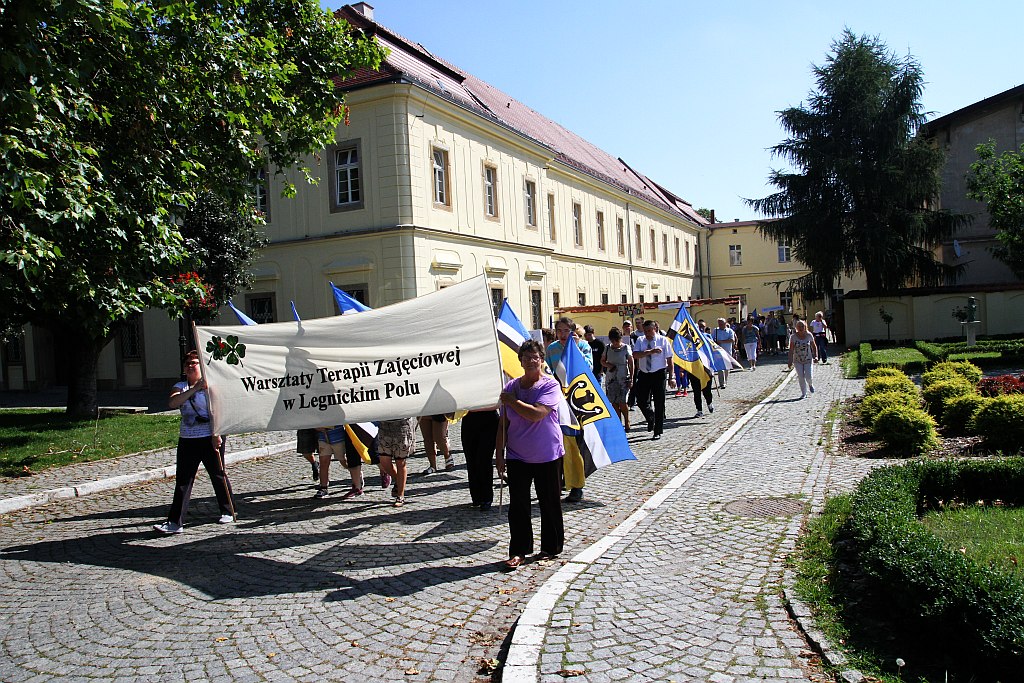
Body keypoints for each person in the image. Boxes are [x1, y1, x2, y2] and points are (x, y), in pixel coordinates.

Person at [495, 340, 565, 570]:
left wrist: (513, 401)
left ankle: (551, 546)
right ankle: (519, 550)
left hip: (547, 454)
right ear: (520, 361)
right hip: (517, 455)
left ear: (542, 360)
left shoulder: (550, 386)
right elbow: (502, 425)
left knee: (549, 501)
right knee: (519, 505)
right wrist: (499, 455)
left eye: (534, 356)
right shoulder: (511, 387)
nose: (530, 360)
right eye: (525, 357)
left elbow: (537, 414)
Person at [153, 351, 234, 534]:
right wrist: (194, 389)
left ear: (202, 366)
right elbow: (173, 403)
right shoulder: (180, 386)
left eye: (195, 362)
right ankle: (175, 522)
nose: (191, 365)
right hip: (188, 439)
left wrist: (217, 433)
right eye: (188, 362)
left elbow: (218, 410)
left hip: (209, 435)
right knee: (183, 480)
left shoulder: (212, 386)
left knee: (218, 474)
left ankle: (228, 509)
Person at [632, 319, 672, 440]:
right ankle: (651, 418)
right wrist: (650, 352)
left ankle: (658, 430)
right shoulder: (640, 340)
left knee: (659, 402)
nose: (647, 333)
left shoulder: (663, 340)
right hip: (644, 373)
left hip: (659, 373)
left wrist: (672, 377)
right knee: (641, 400)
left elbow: (670, 359)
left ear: (655, 329)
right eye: (645, 331)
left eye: (649, 330)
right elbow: (635, 355)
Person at [462, 407, 499, 510]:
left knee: (483, 460)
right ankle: (476, 496)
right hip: (469, 418)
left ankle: (486, 497)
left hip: (489, 419)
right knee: (471, 460)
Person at [376, 417, 417, 507]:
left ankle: (400, 496)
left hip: (402, 424)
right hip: (384, 425)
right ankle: (398, 482)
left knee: (400, 461)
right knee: (384, 461)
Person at [314, 425, 363, 499]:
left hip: (338, 438)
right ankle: (323, 488)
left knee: (344, 462)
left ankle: (358, 476)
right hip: (323, 438)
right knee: (323, 463)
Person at [601, 327, 633, 430]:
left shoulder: (626, 348)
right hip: (611, 378)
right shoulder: (607, 348)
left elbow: (631, 363)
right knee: (614, 402)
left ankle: (627, 420)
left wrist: (631, 378)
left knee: (622, 402)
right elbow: (602, 361)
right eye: (612, 341)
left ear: (620, 339)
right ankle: (618, 423)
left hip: (623, 377)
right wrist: (608, 365)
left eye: (616, 340)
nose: (615, 343)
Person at [788, 319, 819, 398]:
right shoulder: (793, 337)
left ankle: (810, 384)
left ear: (805, 327)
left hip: (808, 359)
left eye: (802, 326)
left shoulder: (809, 335)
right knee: (801, 377)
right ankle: (803, 393)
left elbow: (814, 346)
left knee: (808, 376)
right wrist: (790, 360)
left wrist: (816, 356)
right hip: (797, 360)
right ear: (796, 327)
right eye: (799, 326)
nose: (801, 328)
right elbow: (791, 349)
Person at [710, 318, 736, 389]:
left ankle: (725, 381)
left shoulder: (730, 331)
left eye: (721, 324)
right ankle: (722, 383)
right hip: (718, 352)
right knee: (720, 367)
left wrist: (721, 341)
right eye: (719, 324)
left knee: (727, 367)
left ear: (725, 323)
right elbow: (711, 340)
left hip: (727, 351)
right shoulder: (716, 331)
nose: (720, 325)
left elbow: (732, 340)